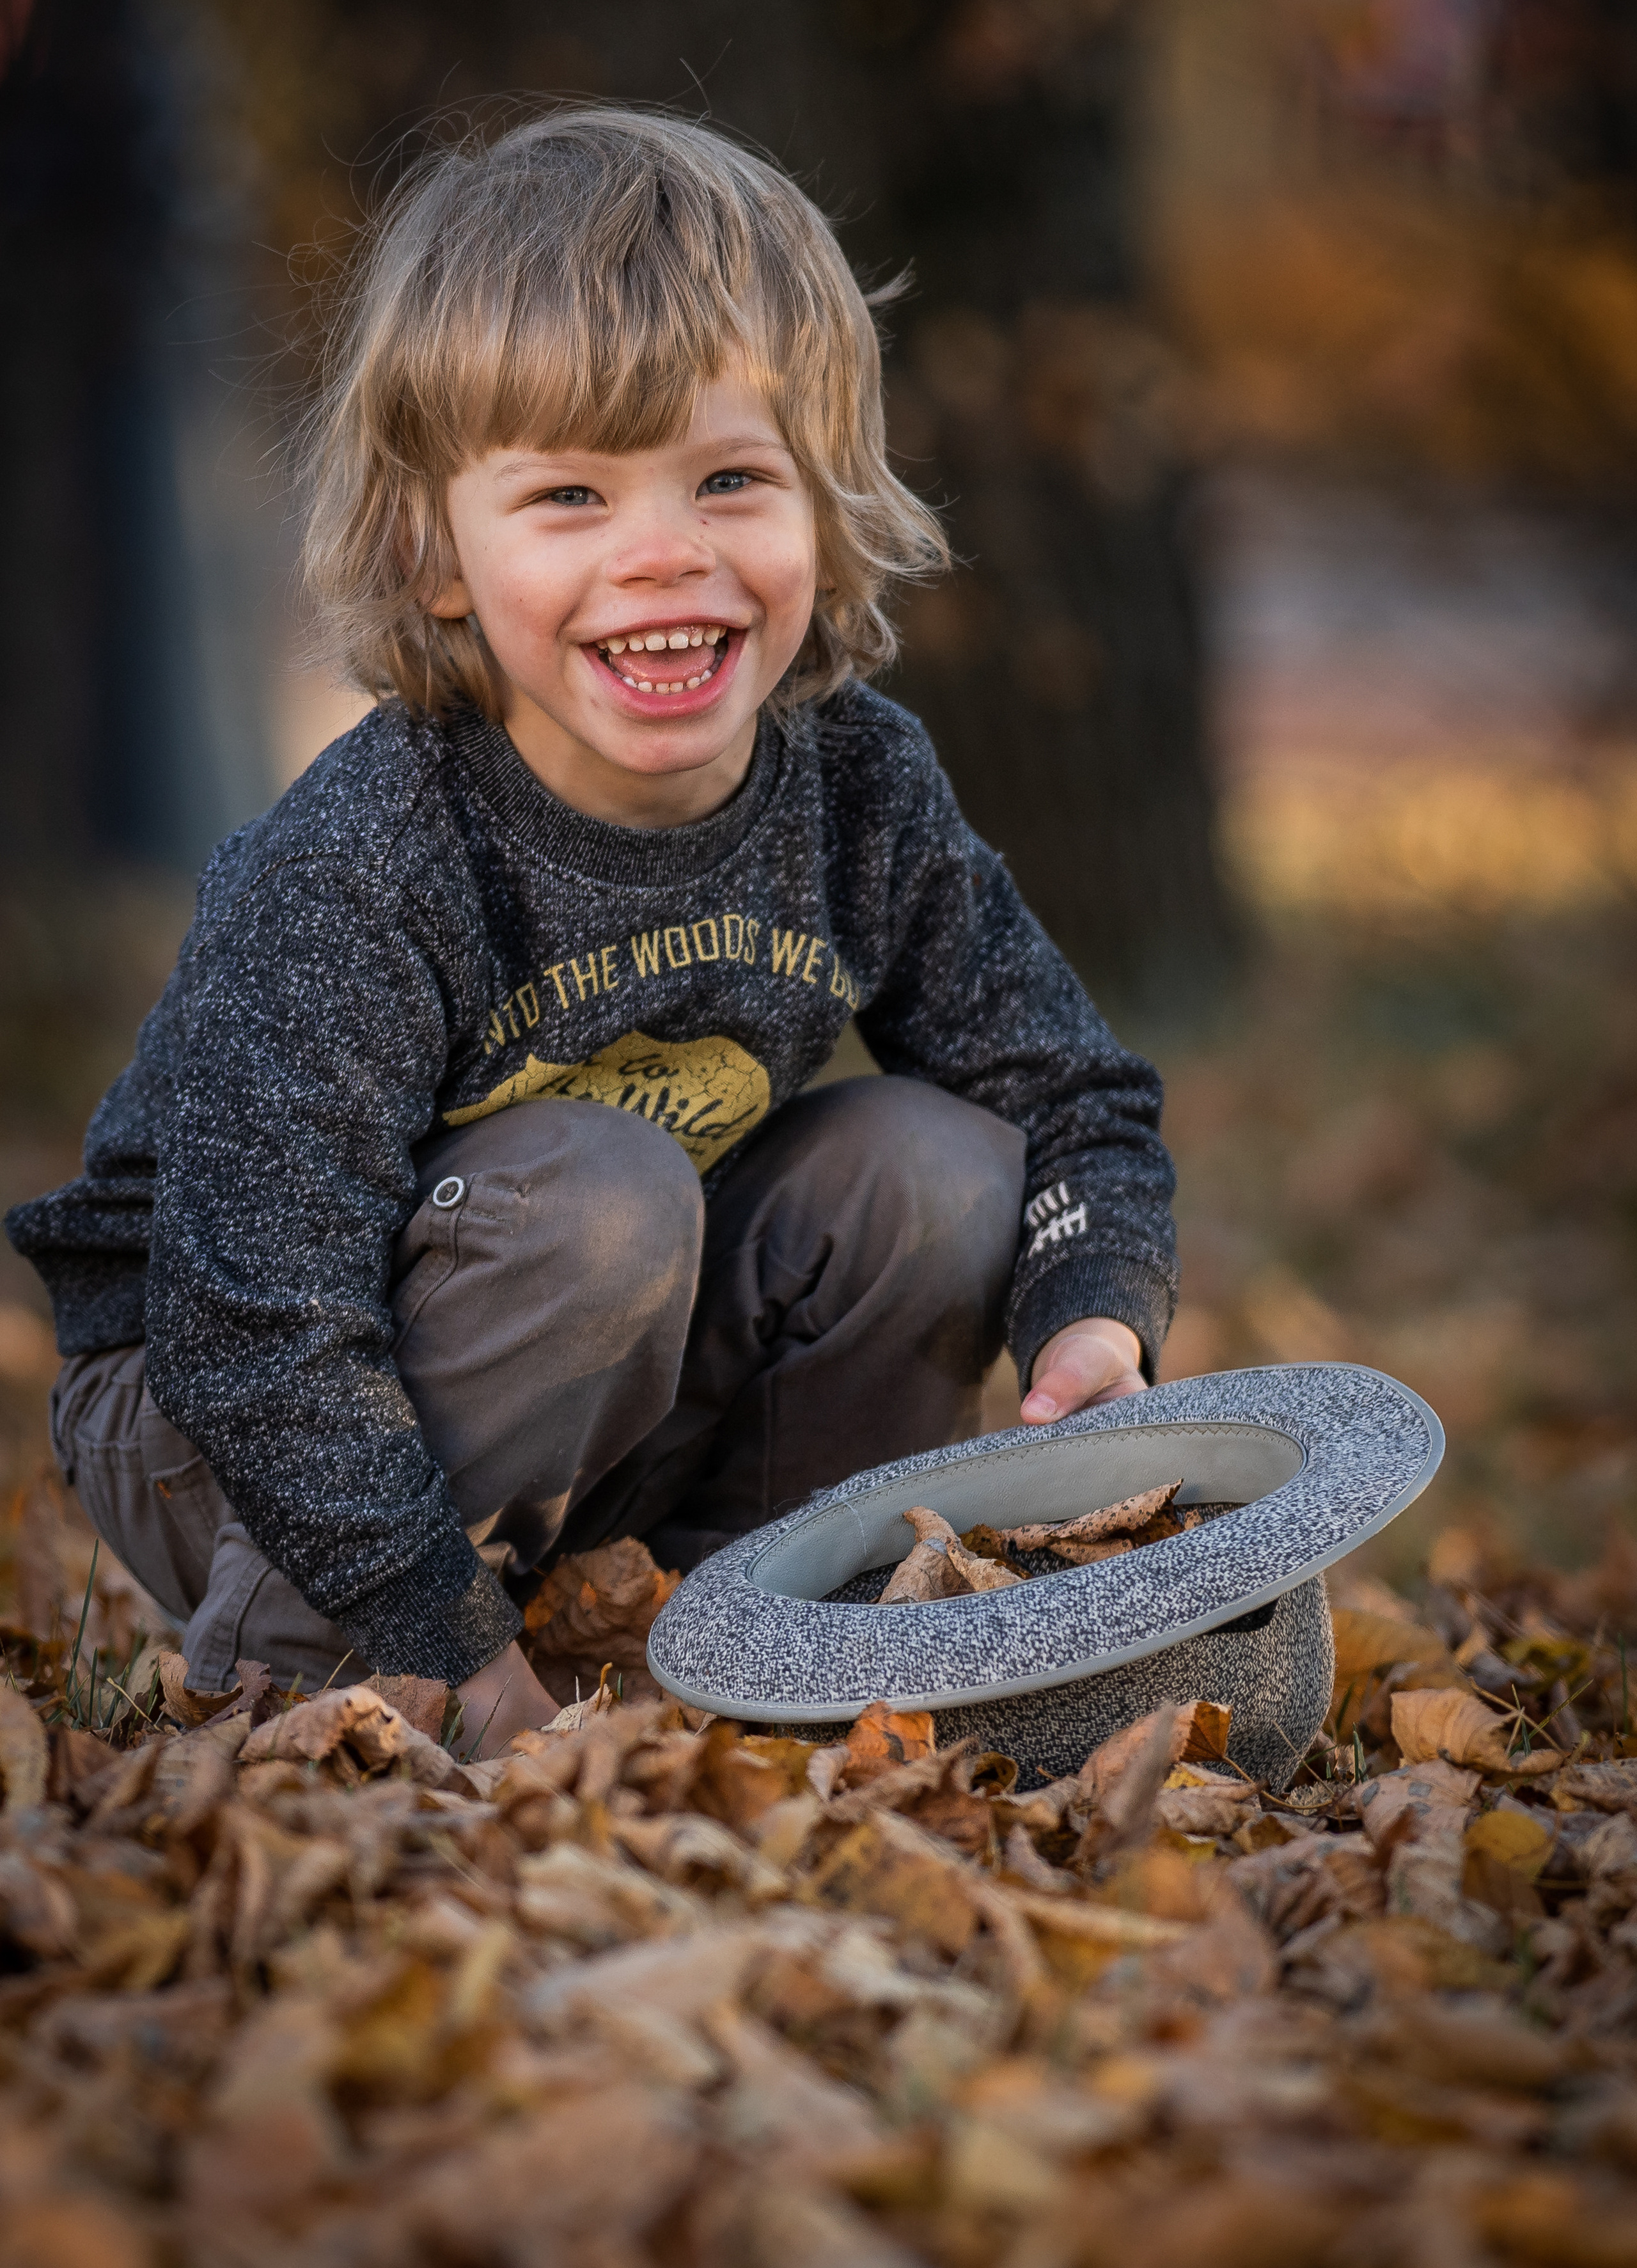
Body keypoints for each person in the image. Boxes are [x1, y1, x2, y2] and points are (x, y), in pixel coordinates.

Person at [6, 109, 1177, 1754]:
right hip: (219, 1417)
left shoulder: (854, 788)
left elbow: (1066, 1095)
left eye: (729, 478)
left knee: (935, 1166)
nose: (661, 553)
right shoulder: (368, 858)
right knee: (600, 1196)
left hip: (583, 1369)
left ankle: (748, 1653)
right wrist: (450, 1650)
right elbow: (256, 1316)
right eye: (566, 493)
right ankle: (319, 1688)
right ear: (434, 556)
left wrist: (1092, 1322)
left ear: (824, 509)